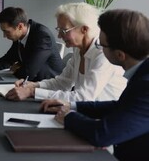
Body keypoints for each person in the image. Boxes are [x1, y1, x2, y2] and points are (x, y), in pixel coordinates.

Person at [41, 9, 149, 161]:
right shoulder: (142, 73)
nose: (98, 47)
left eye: (101, 45)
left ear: (119, 55)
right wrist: (72, 106)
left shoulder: (146, 84)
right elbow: (120, 106)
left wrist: (69, 116)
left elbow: (102, 135)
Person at [5, 3, 126, 101]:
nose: (58, 35)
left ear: (84, 29)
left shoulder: (103, 54)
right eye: (59, 30)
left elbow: (84, 97)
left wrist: (32, 92)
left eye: (64, 30)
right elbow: (63, 82)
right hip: (87, 113)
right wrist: (34, 85)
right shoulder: (79, 50)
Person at [0, 7, 63, 81]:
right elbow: (10, 57)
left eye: (7, 31)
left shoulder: (42, 36)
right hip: (30, 82)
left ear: (20, 26)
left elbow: (29, 73)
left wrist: (17, 69)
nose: (4, 36)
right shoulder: (19, 36)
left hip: (48, 86)